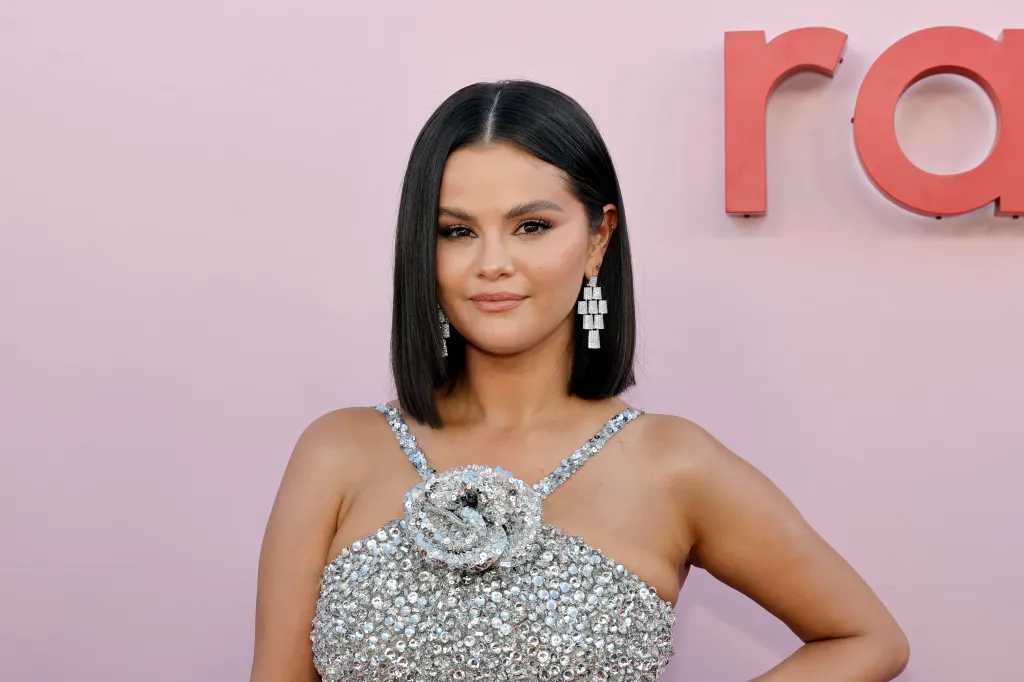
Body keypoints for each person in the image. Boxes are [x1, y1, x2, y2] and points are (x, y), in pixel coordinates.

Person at [249, 80, 910, 682]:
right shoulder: (337, 453)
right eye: (457, 231)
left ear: (598, 238)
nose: (493, 263)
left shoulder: (673, 466)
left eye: (531, 226)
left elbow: (864, 638)